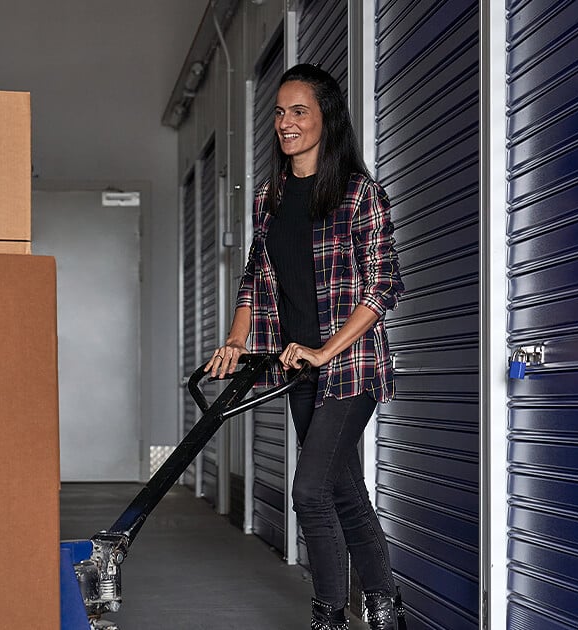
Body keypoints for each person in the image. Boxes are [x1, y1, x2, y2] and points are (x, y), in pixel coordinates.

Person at [204, 63, 407, 630]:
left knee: (311, 491)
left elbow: (381, 286)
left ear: (326, 118)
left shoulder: (358, 193)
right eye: (279, 112)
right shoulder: (269, 197)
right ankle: (386, 608)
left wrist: (324, 350)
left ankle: (329, 617)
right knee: (344, 492)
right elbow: (256, 276)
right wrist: (236, 340)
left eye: (300, 111)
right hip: (300, 373)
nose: (286, 123)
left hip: (349, 368)